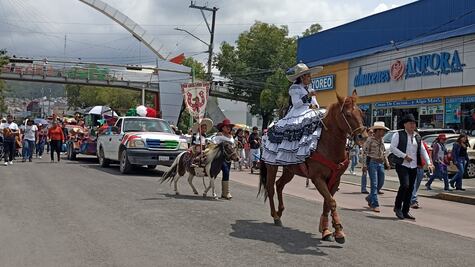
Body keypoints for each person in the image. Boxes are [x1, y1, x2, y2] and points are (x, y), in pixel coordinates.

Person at [262, 63, 324, 177]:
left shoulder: (310, 89)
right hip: (297, 112)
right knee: (297, 130)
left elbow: (315, 104)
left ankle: (313, 153)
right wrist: (308, 96)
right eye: (308, 76)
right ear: (302, 77)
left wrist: (314, 105)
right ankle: (298, 158)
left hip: (309, 110)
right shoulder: (295, 88)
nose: (310, 78)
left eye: (310, 76)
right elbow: (296, 104)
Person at [390, 114, 433, 220]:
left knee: (410, 188)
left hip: (414, 165)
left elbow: (423, 149)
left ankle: (405, 211)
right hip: (402, 164)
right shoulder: (398, 134)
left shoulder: (417, 136)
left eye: (414, 123)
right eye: (410, 123)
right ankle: (397, 207)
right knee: (405, 185)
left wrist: (429, 162)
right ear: (405, 124)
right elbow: (392, 148)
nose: (412, 125)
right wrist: (404, 156)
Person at [362, 122, 390, 213]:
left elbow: (384, 152)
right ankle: (375, 204)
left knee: (380, 182)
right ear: (377, 131)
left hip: (380, 163)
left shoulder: (381, 140)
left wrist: (387, 162)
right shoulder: (370, 140)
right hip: (372, 162)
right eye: (382, 131)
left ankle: (370, 197)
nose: (384, 133)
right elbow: (365, 153)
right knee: (374, 184)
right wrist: (364, 165)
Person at [214, 119, 235, 200]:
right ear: (222, 128)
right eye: (227, 126)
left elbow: (232, 144)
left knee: (227, 173)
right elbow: (214, 142)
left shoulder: (231, 136)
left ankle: (225, 193)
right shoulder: (219, 135)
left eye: (229, 127)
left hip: (228, 157)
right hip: (220, 157)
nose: (229, 128)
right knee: (225, 171)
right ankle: (226, 192)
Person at [411, 140, 431, 209]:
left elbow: (426, 153)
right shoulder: (409, 143)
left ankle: (409, 197)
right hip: (412, 167)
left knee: (416, 185)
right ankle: (413, 200)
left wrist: (429, 163)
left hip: (421, 167)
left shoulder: (422, 143)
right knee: (413, 184)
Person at [360, 129, 374, 194]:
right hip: (366, 160)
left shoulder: (374, 140)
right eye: (370, 132)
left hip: (372, 160)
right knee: (364, 174)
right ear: (367, 133)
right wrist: (364, 165)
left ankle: (374, 189)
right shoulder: (365, 141)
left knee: (373, 176)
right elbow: (364, 153)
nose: (371, 134)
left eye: (372, 132)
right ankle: (363, 188)